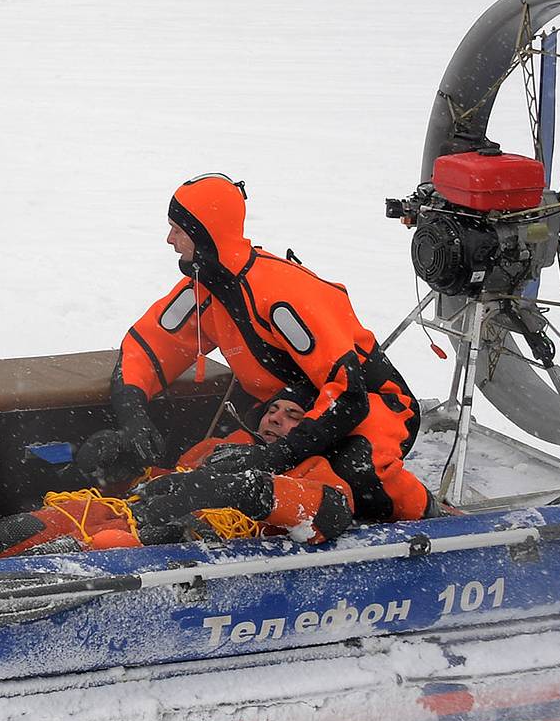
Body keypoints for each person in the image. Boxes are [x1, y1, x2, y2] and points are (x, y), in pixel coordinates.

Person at [89, 173, 430, 523]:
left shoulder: (281, 295)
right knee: (210, 460)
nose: (169, 239)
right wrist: (133, 417)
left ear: (205, 234)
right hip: (287, 408)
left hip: (374, 403)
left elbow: (348, 394)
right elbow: (148, 349)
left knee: (358, 473)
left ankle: (430, 514)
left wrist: (277, 456)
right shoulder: (204, 288)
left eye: (178, 229)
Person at [0, 387, 353, 599]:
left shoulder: (315, 469)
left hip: (178, 549)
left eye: (294, 418)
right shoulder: (220, 444)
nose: (277, 422)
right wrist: (113, 462)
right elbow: (158, 483)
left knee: (59, 562)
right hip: (104, 514)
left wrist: (229, 487)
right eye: (274, 411)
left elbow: (330, 514)